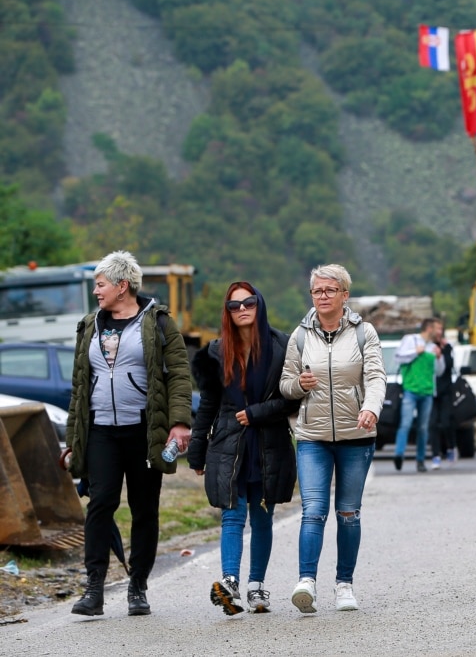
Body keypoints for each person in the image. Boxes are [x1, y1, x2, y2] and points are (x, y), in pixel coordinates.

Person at [64, 250, 193, 617]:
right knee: (100, 504)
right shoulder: (89, 325)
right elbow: (79, 387)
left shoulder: (159, 323)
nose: (96, 292)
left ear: (123, 286)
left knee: (144, 510)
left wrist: (179, 422)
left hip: (144, 432)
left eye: (100, 284)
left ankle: (137, 587)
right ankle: (94, 589)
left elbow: (180, 376)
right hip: (101, 430)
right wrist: (74, 440)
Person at [280, 264, 386, 613]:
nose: (322, 296)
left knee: (348, 513)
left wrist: (371, 408)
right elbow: (285, 384)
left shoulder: (363, 332)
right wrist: (299, 386)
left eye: (329, 290)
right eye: (316, 291)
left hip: (357, 435)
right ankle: (306, 582)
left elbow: (376, 376)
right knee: (313, 510)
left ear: (344, 294)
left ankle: (344, 585)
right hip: (312, 437)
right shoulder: (299, 336)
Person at [188, 282, 298, 615]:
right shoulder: (215, 352)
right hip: (229, 443)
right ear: (228, 312)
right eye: (234, 306)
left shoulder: (282, 346)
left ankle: (257, 588)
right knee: (232, 516)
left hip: (268, 443)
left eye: (247, 302)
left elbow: (292, 398)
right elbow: (207, 403)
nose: (242, 309)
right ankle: (231, 584)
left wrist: (256, 413)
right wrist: (197, 447)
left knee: (262, 517)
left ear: (259, 303)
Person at [392, 318, 444, 472]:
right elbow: (398, 357)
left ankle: (420, 460)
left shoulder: (434, 347)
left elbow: (439, 371)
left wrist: (440, 358)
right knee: (406, 424)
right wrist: (415, 352)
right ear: (429, 328)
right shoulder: (411, 340)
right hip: (410, 390)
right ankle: (399, 454)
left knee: (423, 428)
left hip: (427, 392)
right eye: (438, 329)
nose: (440, 332)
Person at [428, 320, 457, 470]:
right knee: (432, 424)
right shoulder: (427, 346)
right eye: (436, 328)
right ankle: (435, 455)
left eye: (440, 328)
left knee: (446, 422)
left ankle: (451, 447)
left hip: (445, 390)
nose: (438, 331)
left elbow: (450, 366)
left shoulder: (447, 346)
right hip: (430, 390)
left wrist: (444, 351)